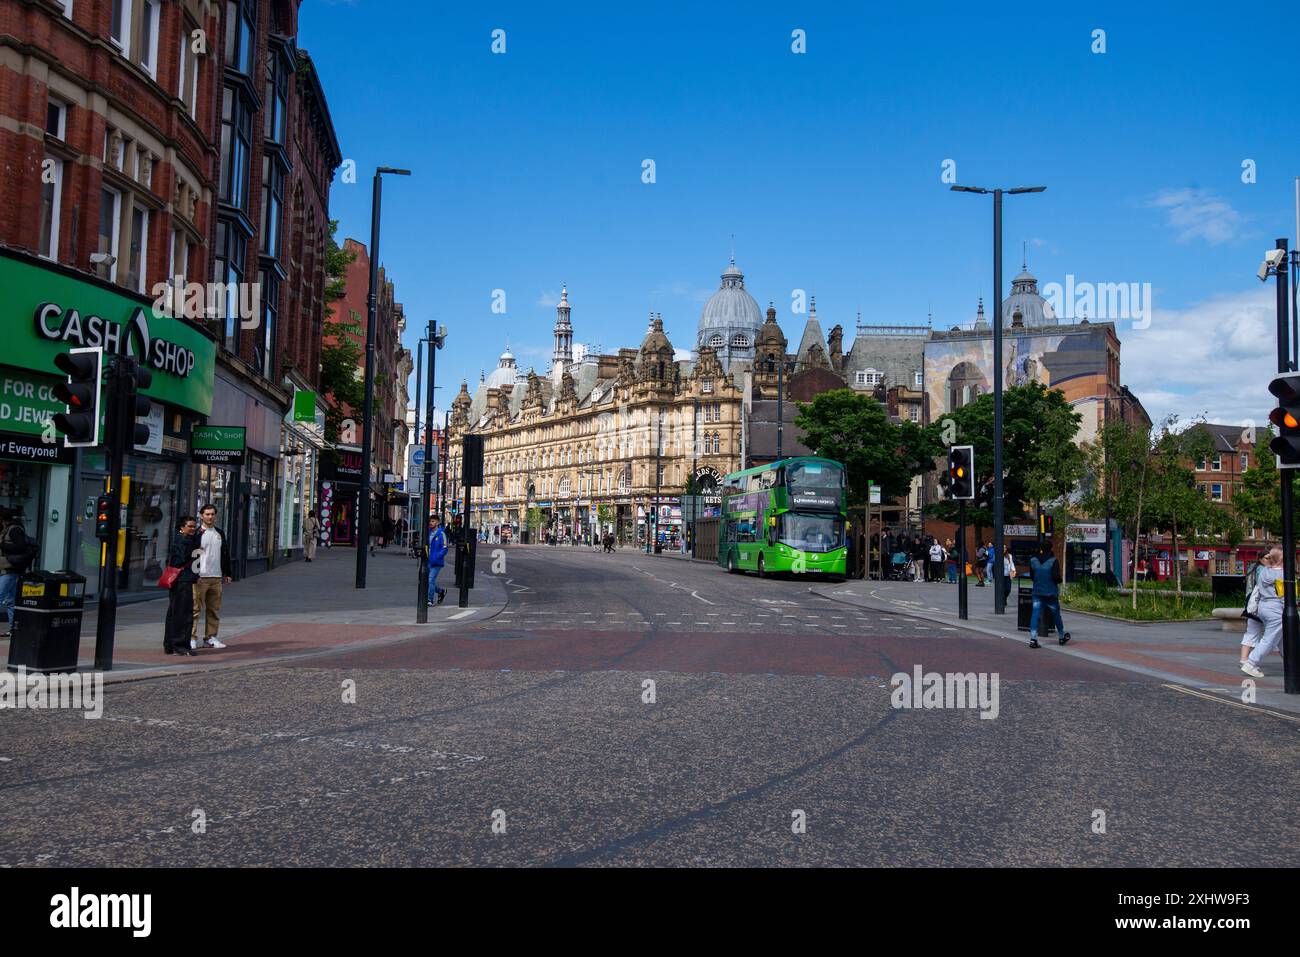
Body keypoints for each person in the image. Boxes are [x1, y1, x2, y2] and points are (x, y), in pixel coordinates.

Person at [191, 503, 232, 650]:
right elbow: (193, 556)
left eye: (212, 514)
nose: (210, 517)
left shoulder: (219, 533)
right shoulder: (196, 534)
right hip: (201, 576)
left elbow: (225, 553)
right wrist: (194, 575)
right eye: (207, 514)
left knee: (213, 609)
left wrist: (227, 573)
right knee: (195, 609)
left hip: (216, 576)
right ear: (202, 516)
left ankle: (210, 637)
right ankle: (192, 637)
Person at [1242, 546, 1285, 679]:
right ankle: (1251, 662)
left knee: (1282, 639)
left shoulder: (1265, 571)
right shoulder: (1281, 574)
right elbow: (1284, 595)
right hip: (1276, 609)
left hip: (1264, 607)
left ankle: (1293, 663)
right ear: (1282, 559)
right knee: (1269, 639)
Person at [164, 516, 199, 656]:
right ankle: (180, 645)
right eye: (190, 526)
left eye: (193, 526)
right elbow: (182, 558)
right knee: (183, 614)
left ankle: (170, 645)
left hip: (179, 580)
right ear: (181, 527)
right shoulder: (184, 541)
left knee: (174, 613)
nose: (192, 529)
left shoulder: (180, 539)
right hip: (182, 580)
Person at [0, 506, 37, 639]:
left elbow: (20, 546)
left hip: (11, 570)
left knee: (2, 596)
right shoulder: (6, 529)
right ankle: (13, 629)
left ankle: (14, 629)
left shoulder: (15, 529)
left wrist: (3, 545)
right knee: (11, 601)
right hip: (8, 569)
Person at [1027, 543, 1071, 649]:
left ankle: (1033, 639)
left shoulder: (1033, 560)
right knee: (1056, 615)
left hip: (1037, 592)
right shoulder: (1053, 561)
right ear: (1051, 548)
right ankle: (1061, 636)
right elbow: (1056, 577)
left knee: (1035, 614)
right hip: (1050, 593)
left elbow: (1032, 576)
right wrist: (1059, 580)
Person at [1240, 548, 1277, 667]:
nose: (1270, 560)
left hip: (1252, 604)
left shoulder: (1253, 568)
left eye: (1271, 558)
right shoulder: (1263, 570)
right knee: (1276, 632)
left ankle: (1244, 659)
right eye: (1267, 558)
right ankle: (1249, 660)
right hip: (1261, 604)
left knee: (1252, 632)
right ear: (1261, 559)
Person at [426, 516, 448, 606]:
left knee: (430, 580)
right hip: (427, 560)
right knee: (427, 581)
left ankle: (429, 600)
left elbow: (445, 548)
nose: (431, 523)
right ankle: (440, 591)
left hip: (436, 562)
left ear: (438, 523)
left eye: (433, 521)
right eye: (430, 521)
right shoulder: (428, 532)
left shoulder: (441, 534)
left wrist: (437, 556)